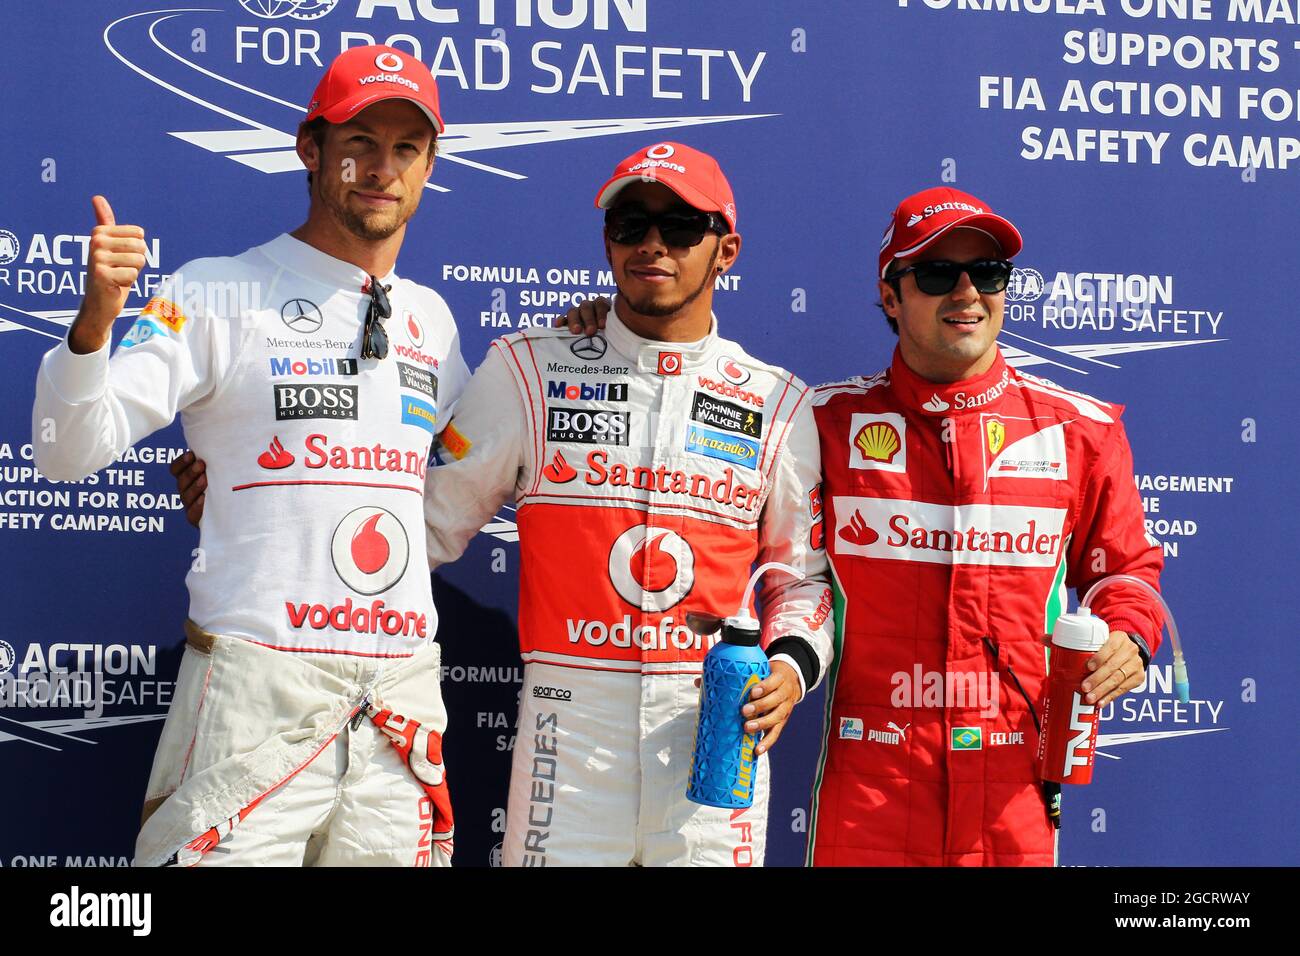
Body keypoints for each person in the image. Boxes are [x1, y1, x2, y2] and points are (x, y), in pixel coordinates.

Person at [31, 44, 468, 866]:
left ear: (428, 165)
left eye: (406, 148)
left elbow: (462, 470)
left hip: (398, 709)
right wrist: (93, 326)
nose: (382, 168)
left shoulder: (433, 321)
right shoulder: (216, 289)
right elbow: (65, 454)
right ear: (310, 148)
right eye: (360, 142)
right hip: (254, 695)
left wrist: (586, 339)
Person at [423, 142, 834, 866]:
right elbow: (423, 522)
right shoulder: (529, 368)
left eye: (679, 228)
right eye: (629, 223)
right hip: (567, 743)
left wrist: (793, 666)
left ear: (726, 249)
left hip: (715, 726)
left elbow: (799, 575)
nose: (652, 244)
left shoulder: (777, 400)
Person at [805, 186, 1164, 866]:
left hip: (1013, 785)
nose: (968, 292)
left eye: (988, 273)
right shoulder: (822, 422)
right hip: (873, 782)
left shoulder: (1080, 429)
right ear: (891, 296)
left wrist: (1128, 635)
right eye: (939, 273)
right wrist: (597, 333)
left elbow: (1125, 570)